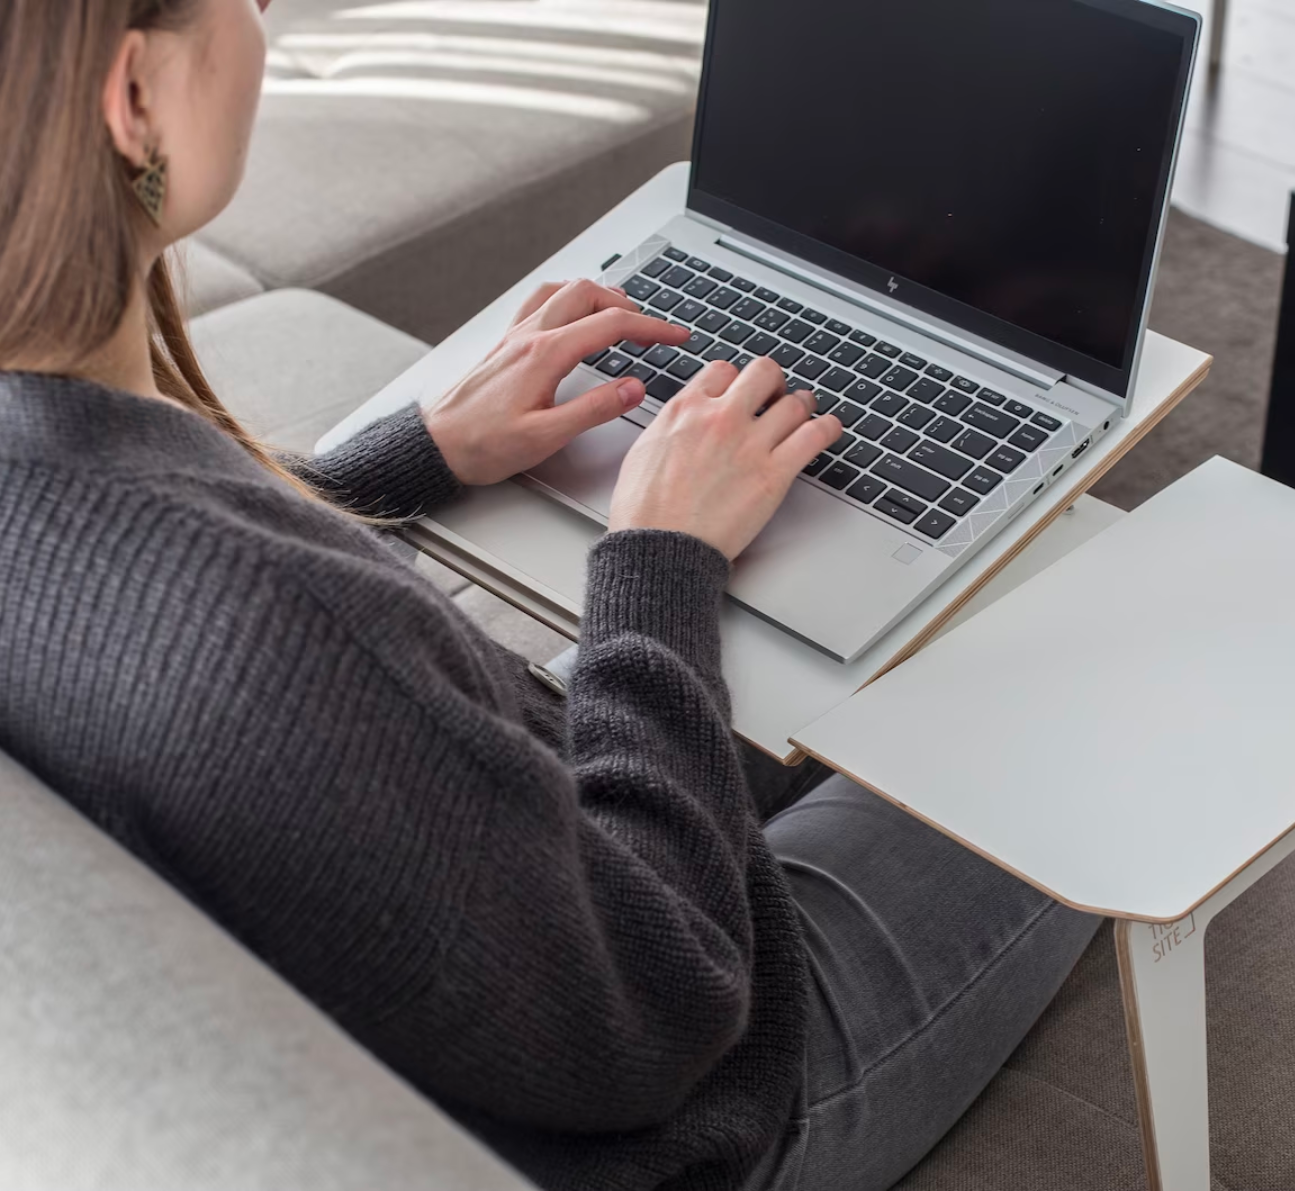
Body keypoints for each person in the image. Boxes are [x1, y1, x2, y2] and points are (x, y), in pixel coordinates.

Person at [0, 2, 1100, 1188]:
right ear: (133, 102)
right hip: (699, 1092)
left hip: (467, 918)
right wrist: (662, 554)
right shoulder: (277, 635)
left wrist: (413, 452)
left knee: (879, 626)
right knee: (1092, 663)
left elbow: (147, 559)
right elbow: (661, 1010)